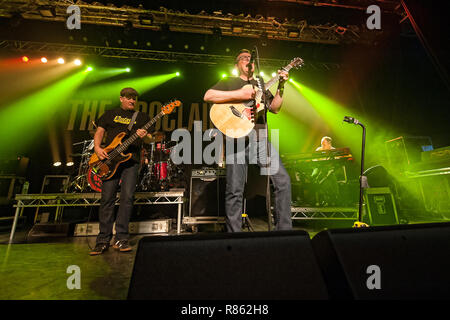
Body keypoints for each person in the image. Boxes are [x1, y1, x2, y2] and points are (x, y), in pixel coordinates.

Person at [204, 49, 292, 232]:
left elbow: (275, 108)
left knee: (282, 180)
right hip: (235, 137)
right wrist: (241, 95)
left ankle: (284, 231)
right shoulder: (229, 81)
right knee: (234, 189)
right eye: (243, 58)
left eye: (250, 59)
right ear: (237, 65)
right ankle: (234, 235)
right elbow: (208, 96)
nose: (248, 61)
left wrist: (281, 86)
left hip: (259, 136)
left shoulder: (260, 84)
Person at [90, 87, 150, 255]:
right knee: (107, 199)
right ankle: (102, 240)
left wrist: (144, 135)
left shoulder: (142, 117)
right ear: (121, 98)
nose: (132, 100)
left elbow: (151, 138)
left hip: (131, 162)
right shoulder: (110, 114)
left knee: (127, 198)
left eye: (134, 98)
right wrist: (97, 148)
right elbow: (100, 131)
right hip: (109, 161)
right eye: (129, 97)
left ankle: (121, 239)